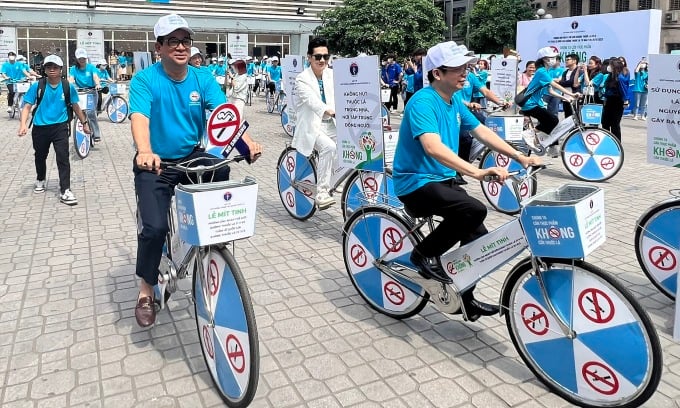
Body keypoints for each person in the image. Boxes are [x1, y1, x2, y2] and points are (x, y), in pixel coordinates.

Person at [392, 41, 542, 321]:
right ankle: (422, 255)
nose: (466, 72)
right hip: (415, 183)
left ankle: (466, 298)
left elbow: (482, 131)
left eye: (466, 67)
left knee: (477, 238)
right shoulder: (422, 102)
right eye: (458, 68)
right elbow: (432, 148)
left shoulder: (455, 102)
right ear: (437, 73)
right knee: (474, 209)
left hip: (442, 180)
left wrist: (520, 157)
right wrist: (476, 172)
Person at [129, 14, 262, 327]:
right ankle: (146, 288)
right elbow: (140, 118)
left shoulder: (202, 78)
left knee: (222, 173)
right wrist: (145, 151)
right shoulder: (145, 80)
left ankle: (210, 246)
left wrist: (248, 143)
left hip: (192, 156)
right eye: (172, 41)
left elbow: (224, 117)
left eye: (185, 41)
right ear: (158, 47)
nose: (180, 46)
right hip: (157, 162)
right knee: (154, 229)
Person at [17, 55, 90, 205]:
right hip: (40, 127)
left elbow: (76, 106)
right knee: (40, 156)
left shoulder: (67, 86)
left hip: (60, 127)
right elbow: (27, 106)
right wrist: (23, 124)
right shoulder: (37, 86)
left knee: (63, 158)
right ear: (44, 69)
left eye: (55, 67)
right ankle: (40, 179)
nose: (52, 70)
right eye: (49, 67)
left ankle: (65, 190)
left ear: (60, 69)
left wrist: (84, 122)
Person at [291, 37, 336, 209]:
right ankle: (322, 193)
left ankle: (332, 179)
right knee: (329, 147)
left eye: (326, 56)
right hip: (312, 126)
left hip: (331, 123)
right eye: (318, 57)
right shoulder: (302, 78)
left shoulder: (332, 75)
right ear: (309, 57)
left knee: (350, 145)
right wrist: (328, 109)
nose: (322, 60)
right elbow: (312, 101)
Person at [520, 47, 580, 156]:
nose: (554, 60)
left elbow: (550, 90)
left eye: (554, 57)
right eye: (551, 58)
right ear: (544, 59)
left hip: (536, 103)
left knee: (552, 122)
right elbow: (554, 84)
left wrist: (566, 98)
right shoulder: (541, 72)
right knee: (553, 120)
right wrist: (571, 94)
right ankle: (530, 134)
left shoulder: (545, 71)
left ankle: (550, 146)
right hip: (529, 104)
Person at [69, 48, 102, 142]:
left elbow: (95, 77)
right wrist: (69, 86)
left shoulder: (91, 67)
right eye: (80, 59)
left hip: (91, 92)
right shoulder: (73, 69)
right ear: (77, 59)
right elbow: (71, 79)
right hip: (80, 92)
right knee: (79, 111)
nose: (82, 60)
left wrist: (97, 84)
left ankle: (96, 133)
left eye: (83, 58)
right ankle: (84, 126)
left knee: (91, 112)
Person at [558, 53, 583, 118]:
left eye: (568, 60)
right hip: (565, 98)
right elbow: (561, 83)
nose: (566, 61)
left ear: (574, 61)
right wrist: (563, 82)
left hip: (575, 97)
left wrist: (563, 82)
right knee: (567, 117)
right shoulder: (565, 72)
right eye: (565, 60)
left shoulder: (579, 71)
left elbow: (572, 82)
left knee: (576, 117)